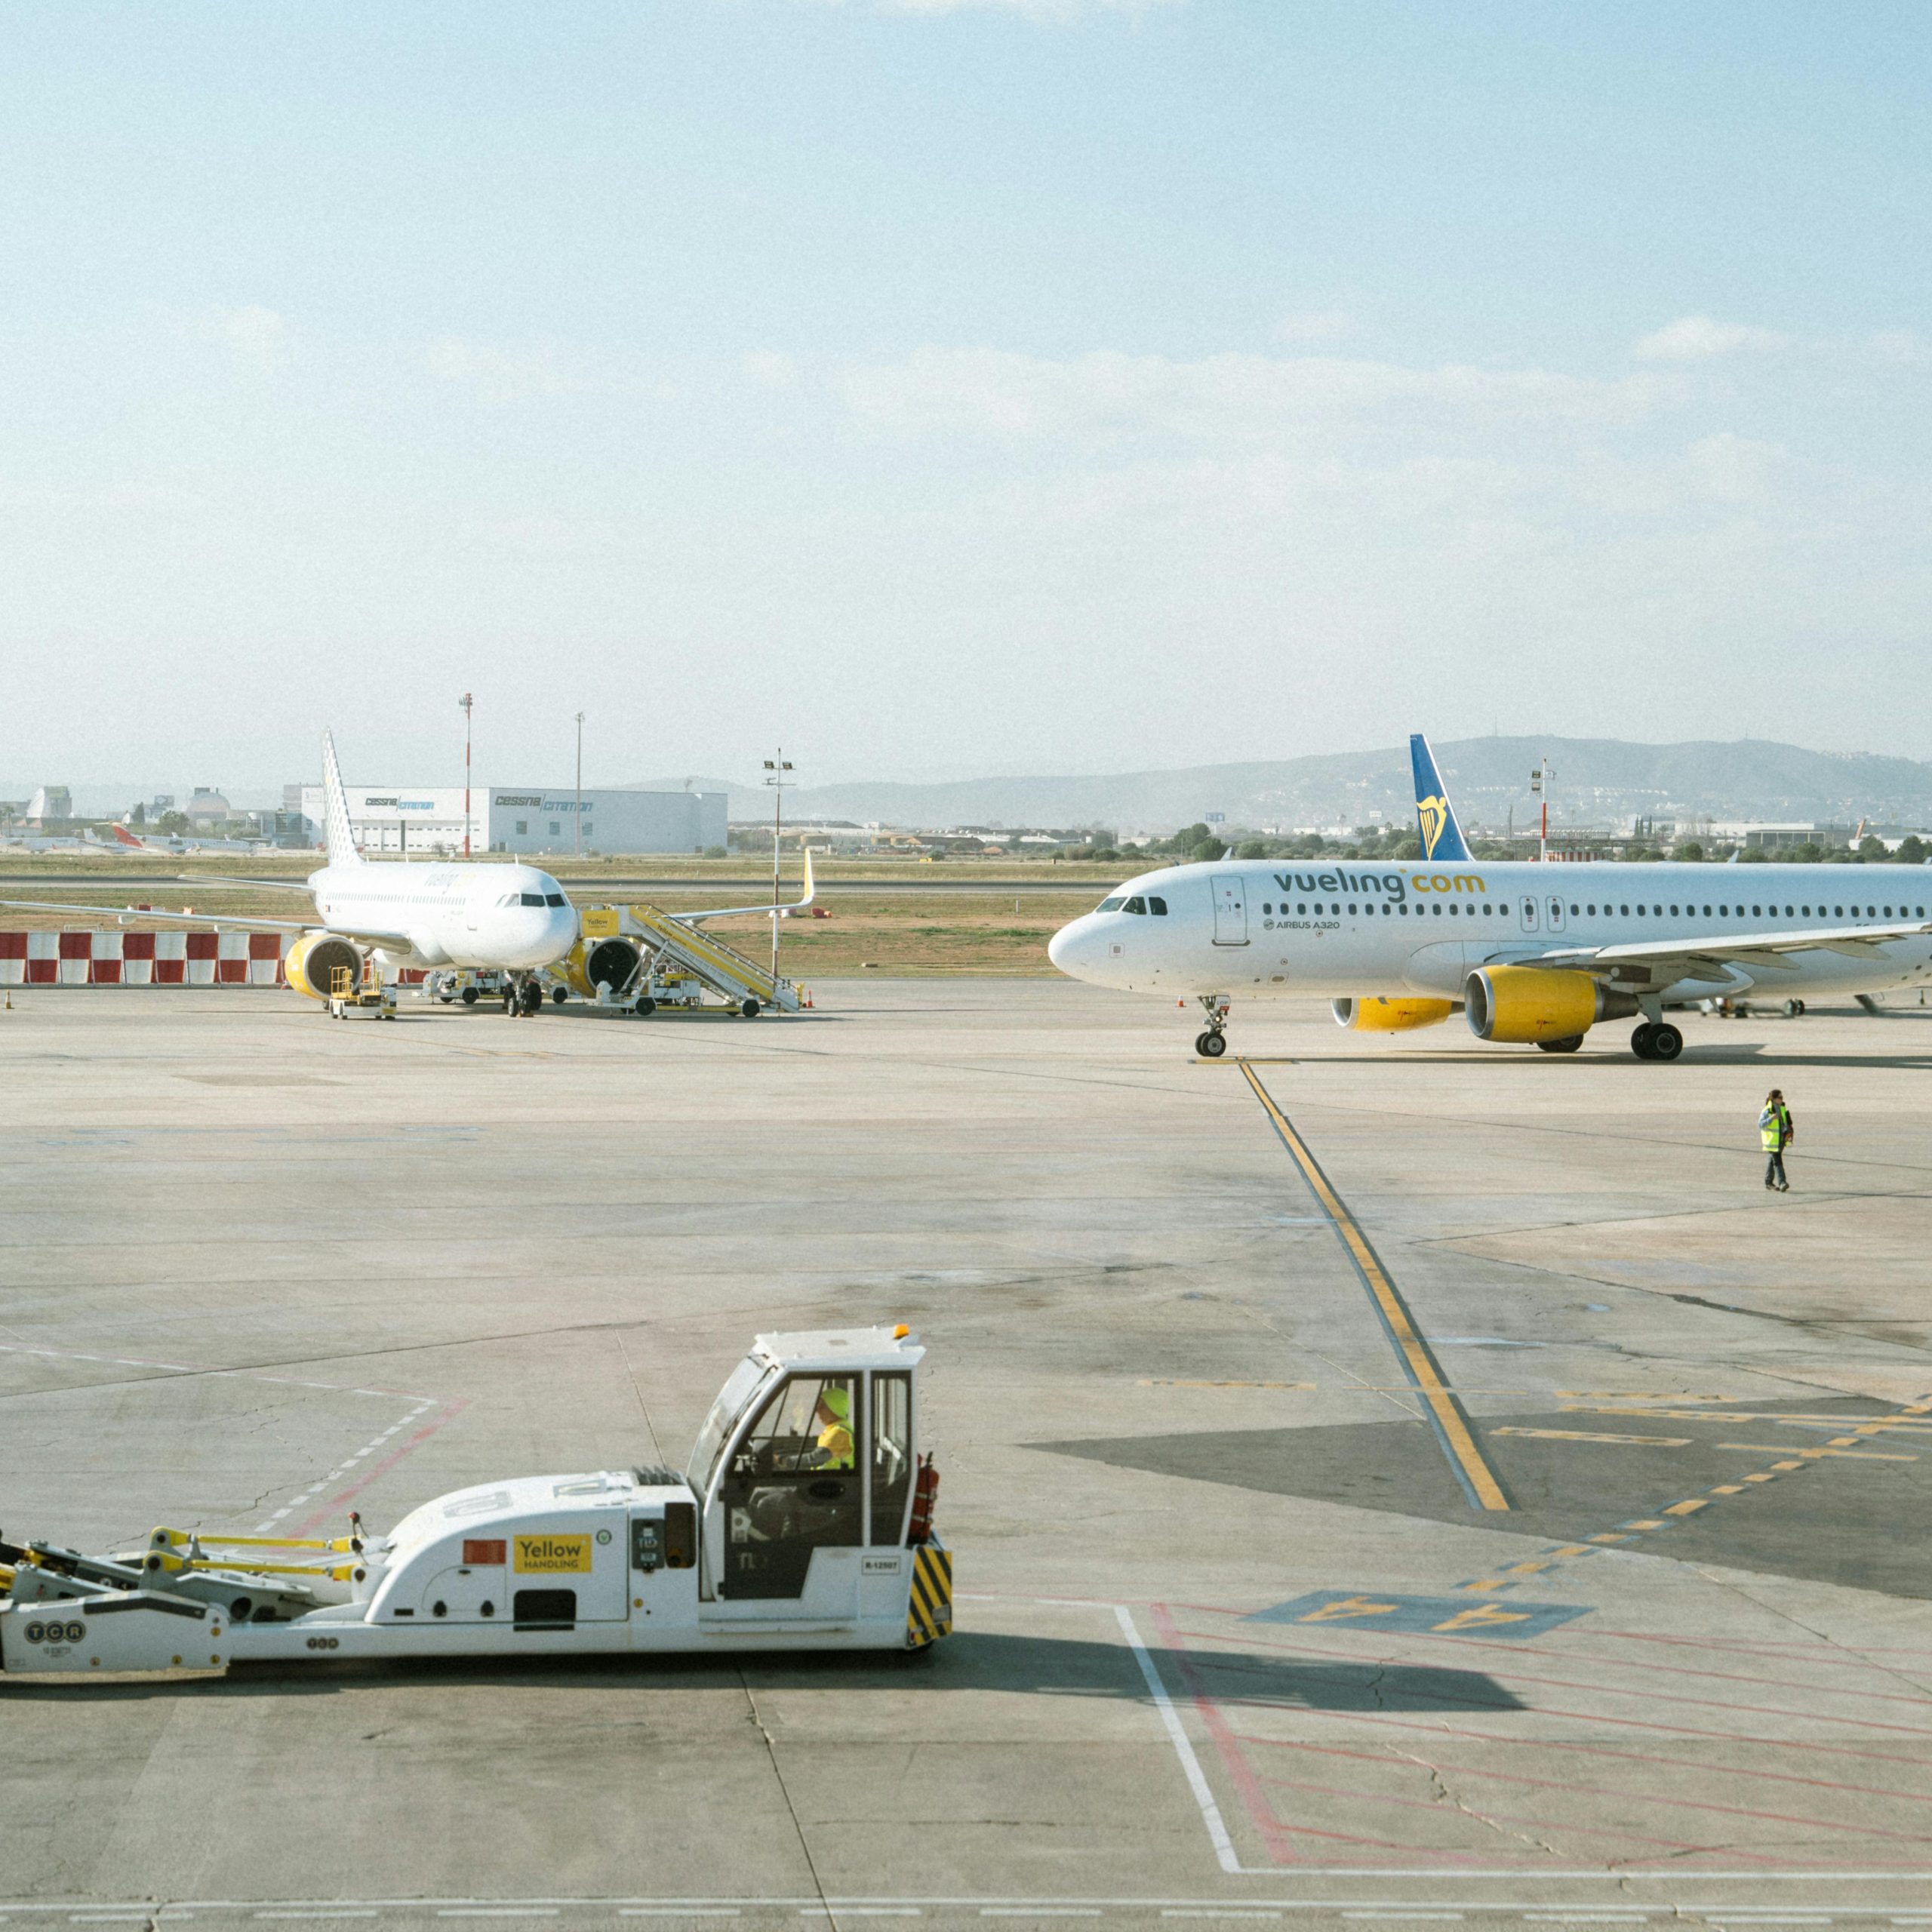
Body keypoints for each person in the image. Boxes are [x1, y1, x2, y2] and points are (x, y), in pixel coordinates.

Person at [811, 1386, 855, 1469]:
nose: (817, 1410)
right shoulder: (833, 1429)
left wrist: (785, 1461)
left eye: (822, 1406)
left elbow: (817, 1458)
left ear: (835, 1408)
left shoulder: (840, 1433)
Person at [1759, 1088, 1794, 1191]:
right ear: (1774, 1099)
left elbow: (1786, 1123)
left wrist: (1789, 1131)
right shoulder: (1767, 1110)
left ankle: (1768, 1182)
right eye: (1780, 1097)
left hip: (1781, 1140)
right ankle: (1782, 1182)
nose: (1782, 1099)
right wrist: (1771, 1118)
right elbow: (1760, 1124)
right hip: (1772, 1142)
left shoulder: (1782, 1108)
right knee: (1778, 1162)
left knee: (1772, 1161)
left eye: (1782, 1097)